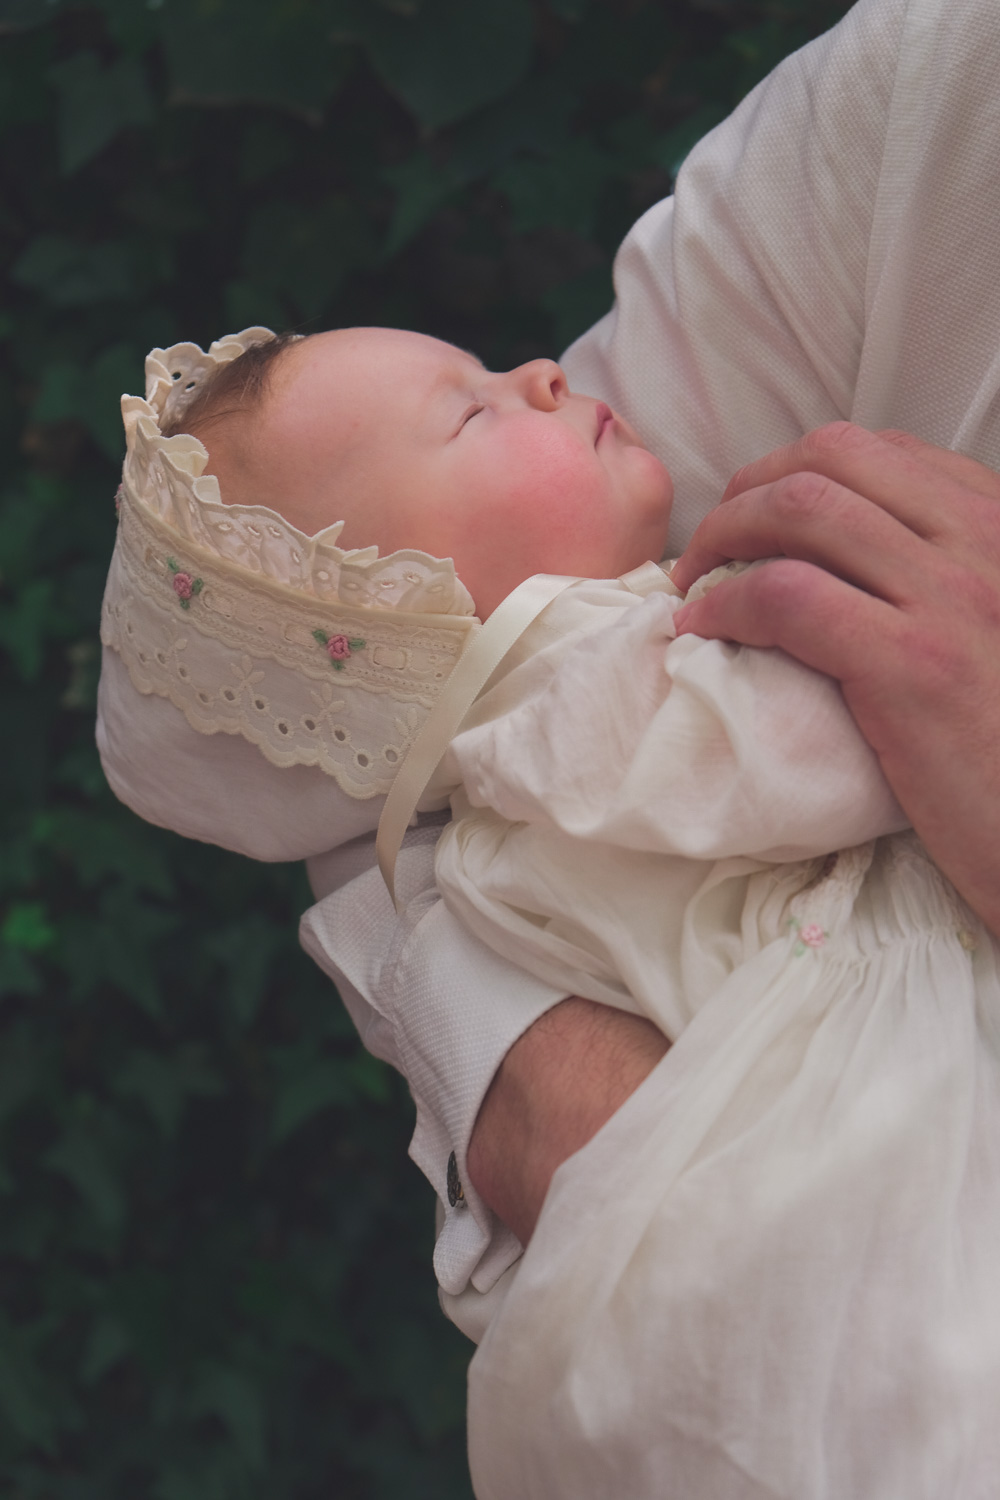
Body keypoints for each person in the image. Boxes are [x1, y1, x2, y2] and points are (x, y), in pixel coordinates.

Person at [96, 0, 1000, 1490]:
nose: (543, 374)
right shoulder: (572, 680)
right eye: (468, 414)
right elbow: (357, 809)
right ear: (405, 623)